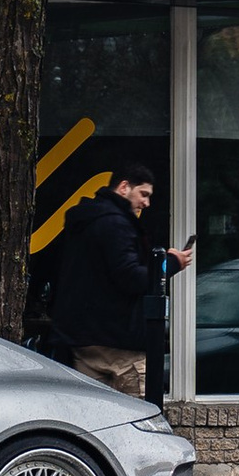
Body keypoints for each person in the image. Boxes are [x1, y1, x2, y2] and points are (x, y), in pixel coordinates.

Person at [46, 164, 191, 397]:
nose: (146, 203)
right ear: (124, 187)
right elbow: (132, 278)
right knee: (139, 419)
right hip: (120, 343)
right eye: (143, 194)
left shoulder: (82, 220)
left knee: (91, 419)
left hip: (82, 343)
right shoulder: (117, 224)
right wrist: (171, 262)